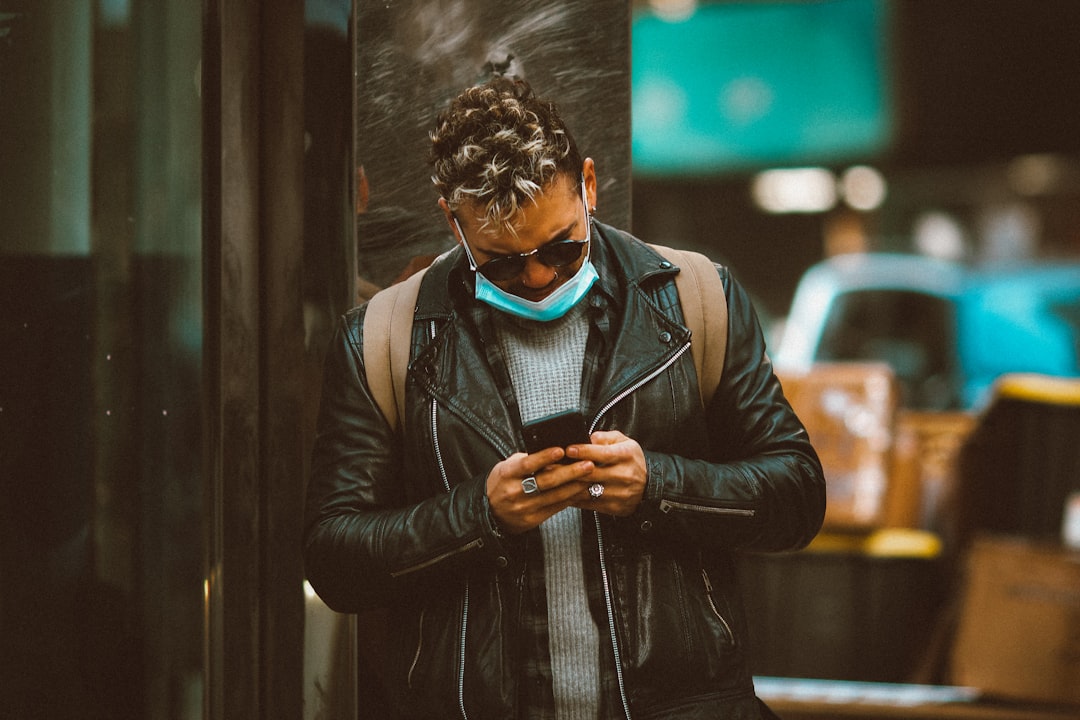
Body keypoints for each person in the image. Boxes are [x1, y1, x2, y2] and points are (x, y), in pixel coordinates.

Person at [304, 76, 825, 720]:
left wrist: (655, 486)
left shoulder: (696, 299)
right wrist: (479, 517)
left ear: (589, 185)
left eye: (560, 247)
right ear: (452, 218)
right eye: (501, 261)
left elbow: (798, 496)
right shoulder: (383, 339)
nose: (538, 278)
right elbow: (335, 559)